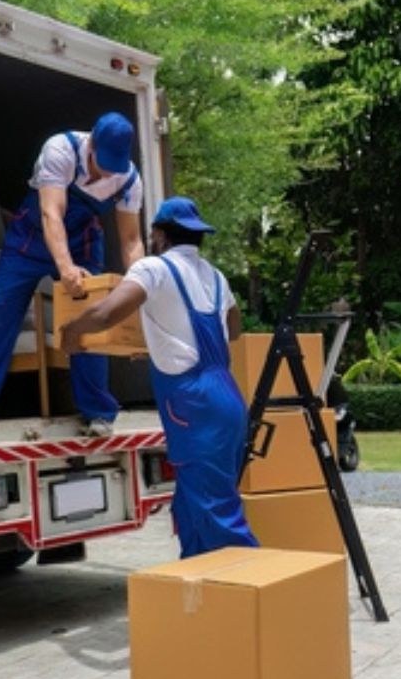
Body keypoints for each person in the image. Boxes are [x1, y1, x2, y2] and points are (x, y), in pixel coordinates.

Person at [59, 196, 258, 558]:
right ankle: (200, 593)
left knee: (216, 515)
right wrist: (164, 342)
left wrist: (72, 330)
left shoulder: (154, 269)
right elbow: (234, 328)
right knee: (192, 505)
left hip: (194, 403)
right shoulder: (216, 277)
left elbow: (106, 314)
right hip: (227, 396)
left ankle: (252, 593)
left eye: (152, 235)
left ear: (160, 236)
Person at [0, 112, 146, 436]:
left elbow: (132, 241)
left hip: (83, 243)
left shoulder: (129, 179)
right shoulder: (60, 149)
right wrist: (65, 269)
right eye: (101, 163)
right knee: (0, 310)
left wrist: (140, 286)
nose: (105, 172)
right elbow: (53, 213)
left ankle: (98, 412)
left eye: (113, 166)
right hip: (31, 239)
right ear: (91, 143)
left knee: (91, 319)